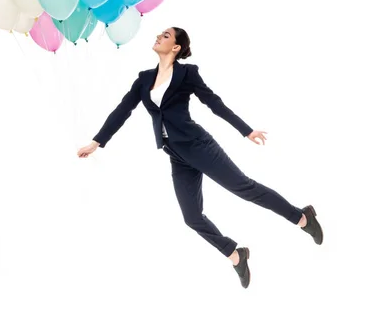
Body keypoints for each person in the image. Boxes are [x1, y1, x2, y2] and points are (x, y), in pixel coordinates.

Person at [77, 27, 323, 288]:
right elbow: (121, 111)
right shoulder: (144, 79)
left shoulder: (187, 73)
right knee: (192, 217)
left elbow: (213, 103)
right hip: (176, 153)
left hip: (198, 145)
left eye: (166, 36)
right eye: (160, 34)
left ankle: (302, 218)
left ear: (176, 48)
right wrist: (97, 141)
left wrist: (245, 130)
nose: (159, 36)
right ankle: (236, 255)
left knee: (244, 188)